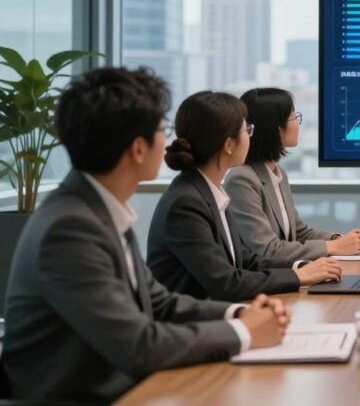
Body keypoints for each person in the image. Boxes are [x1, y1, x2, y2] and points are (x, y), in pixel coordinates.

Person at [0, 68, 289, 403]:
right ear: (139, 149)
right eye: (161, 130)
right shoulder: (68, 229)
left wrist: (239, 315)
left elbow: (160, 302)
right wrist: (244, 332)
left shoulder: (96, 209)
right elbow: (138, 345)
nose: (170, 142)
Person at [147, 91, 342, 302]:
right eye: (247, 130)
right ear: (229, 145)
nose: (251, 136)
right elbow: (227, 283)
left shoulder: (207, 192)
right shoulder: (186, 203)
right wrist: (297, 276)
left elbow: (246, 261)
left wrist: (302, 268)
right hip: (195, 325)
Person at [225, 88, 360, 264]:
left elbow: (298, 232)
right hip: (264, 283)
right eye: (293, 116)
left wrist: (338, 239)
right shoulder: (241, 179)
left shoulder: (277, 173)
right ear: (277, 129)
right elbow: (268, 250)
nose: (297, 123)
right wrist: (335, 247)